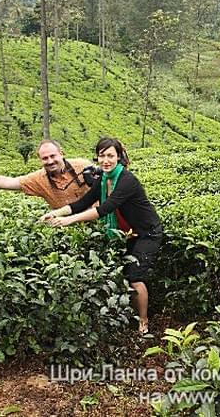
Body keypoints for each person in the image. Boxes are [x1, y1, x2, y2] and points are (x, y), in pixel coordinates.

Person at [39, 138, 162, 336]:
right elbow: (83, 202)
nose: (105, 160)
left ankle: (143, 321)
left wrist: (69, 221)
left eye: (110, 156)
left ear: (119, 157)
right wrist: (56, 213)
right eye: (102, 156)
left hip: (148, 233)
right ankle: (129, 312)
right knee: (122, 273)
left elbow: (104, 209)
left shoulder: (126, 180)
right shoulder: (104, 180)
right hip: (127, 233)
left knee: (134, 277)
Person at [0, 139, 94, 209]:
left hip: (98, 221)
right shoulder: (39, 179)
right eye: (45, 158)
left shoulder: (82, 165)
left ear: (61, 154)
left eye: (53, 156)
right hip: (67, 227)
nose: (50, 161)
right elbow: (9, 182)